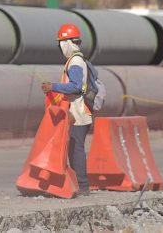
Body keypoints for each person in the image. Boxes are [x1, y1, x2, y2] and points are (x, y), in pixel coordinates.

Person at [40, 23, 93, 197]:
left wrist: (53, 86)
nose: (60, 47)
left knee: (75, 149)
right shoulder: (77, 59)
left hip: (79, 114)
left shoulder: (75, 62)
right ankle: (78, 185)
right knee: (74, 148)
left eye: (60, 43)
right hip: (78, 113)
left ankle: (82, 186)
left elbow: (76, 86)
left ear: (67, 43)